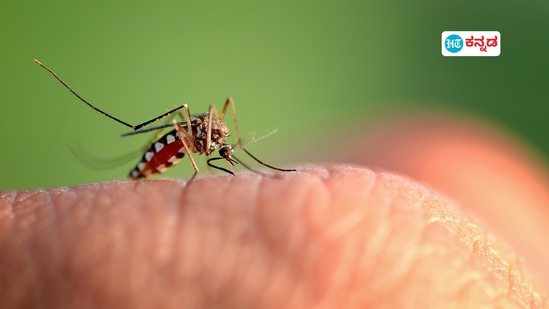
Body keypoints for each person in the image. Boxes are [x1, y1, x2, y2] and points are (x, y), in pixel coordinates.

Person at [0, 113, 547, 308]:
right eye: (228, 146)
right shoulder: (199, 138)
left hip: (185, 147)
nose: (226, 149)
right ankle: (132, 142)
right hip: (167, 144)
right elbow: (195, 129)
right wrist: (181, 154)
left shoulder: (219, 142)